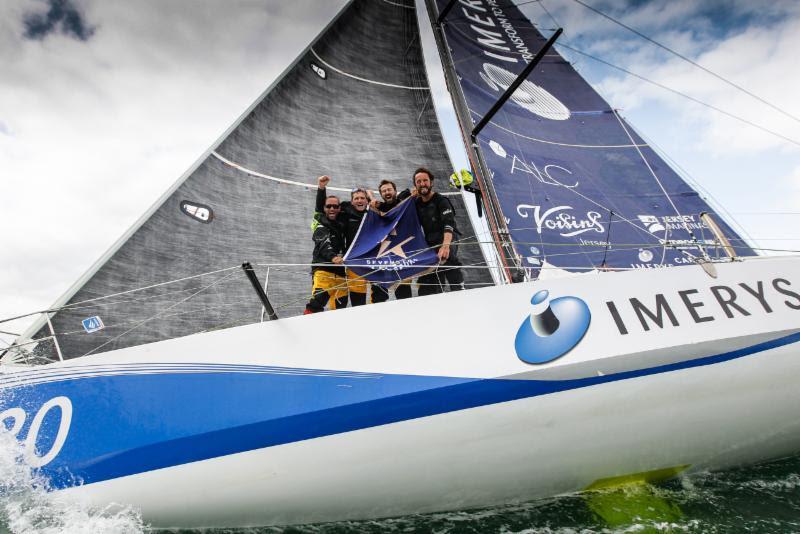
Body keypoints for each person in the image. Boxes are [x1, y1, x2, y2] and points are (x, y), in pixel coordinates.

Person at [315, 176, 369, 306]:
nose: (359, 200)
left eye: (362, 198)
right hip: (355, 263)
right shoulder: (345, 214)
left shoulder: (374, 212)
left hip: (372, 261)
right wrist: (321, 189)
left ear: (367, 200)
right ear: (351, 202)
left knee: (379, 296)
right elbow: (322, 210)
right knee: (358, 303)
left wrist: (373, 201)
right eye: (356, 198)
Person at [412, 167, 465, 296]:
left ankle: (459, 292)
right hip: (430, 242)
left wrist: (445, 246)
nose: (422, 184)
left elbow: (449, 223)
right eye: (418, 182)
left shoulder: (441, 201)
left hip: (448, 238)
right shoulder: (416, 202)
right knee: (427, 282)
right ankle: (433, 297)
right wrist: (409, 195)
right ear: (415, 185)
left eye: (425, 180)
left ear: (431, 183)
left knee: (447, 259)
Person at [369, 179, 414, 302]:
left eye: (389, 189)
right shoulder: (378, 209)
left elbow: (402, 199)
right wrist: (373, 203)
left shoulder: (405, 201)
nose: (387, 192)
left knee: (404, 293)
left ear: (395, 191)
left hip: (402, 255)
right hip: (383, 256)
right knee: (380, 294)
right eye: (383, 191)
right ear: (381, 194)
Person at [304, 195, 348, 314]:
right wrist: (333, 257)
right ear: (324, 208)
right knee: (316, 304)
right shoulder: (319, 224)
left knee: (340, 310)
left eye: (335, 206)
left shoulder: (343, 224)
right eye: (328, 206)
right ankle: (305, 328)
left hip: (341, 274)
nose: (332, 208)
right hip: (324, 271)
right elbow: (323, 243)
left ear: (340, 208)